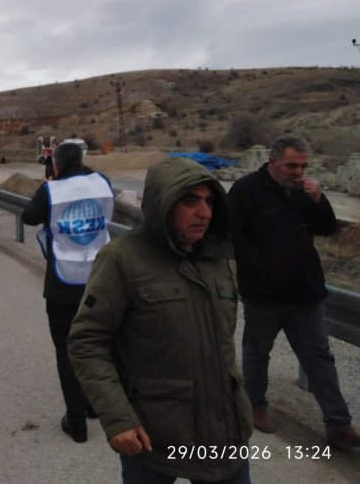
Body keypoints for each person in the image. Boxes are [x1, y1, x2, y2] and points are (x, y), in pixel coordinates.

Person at [69, 157, 253, 483]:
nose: (205, 213)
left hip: (225, 435)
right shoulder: (122, 258)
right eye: (190, 201)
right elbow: (87, 341)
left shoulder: (220, 257)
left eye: (210, 201)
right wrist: (117, 417)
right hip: (154, 437)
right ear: (162, 204)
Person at [228, 136, 360, 449]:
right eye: (291, 165)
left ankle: (339, 426)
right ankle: (256, 406)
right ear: (272, 162)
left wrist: (319, 199)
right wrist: (260, 274)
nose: (298, 172)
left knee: (319, 359)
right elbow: (236, 239)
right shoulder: (246, 191)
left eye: (302, 166)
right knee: (257, 353)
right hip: (264, 296)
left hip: (306, 294)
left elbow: (327, 228)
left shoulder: (304, 192)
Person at [22, 142, 114, 443]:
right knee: (98, 347)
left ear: (56, 166)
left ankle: (76, 422)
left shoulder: (52, 190)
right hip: (101, 280)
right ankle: (93, 406)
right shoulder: (102, 183)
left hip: (63, 285)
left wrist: (50, 184)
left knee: (67, 351)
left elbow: (29, 217)